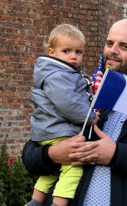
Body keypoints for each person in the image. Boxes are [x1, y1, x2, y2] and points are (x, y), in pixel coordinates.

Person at [22, 19, 127, 206]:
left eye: (124, 46)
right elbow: (30, 155)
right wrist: (52, 154)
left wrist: (117, 155)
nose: (113, 50)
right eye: (110, 43)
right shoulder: (81, 93)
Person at [26, 24, 99, 206]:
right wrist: (90, 116)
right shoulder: (59, 75)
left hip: (48, 130)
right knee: (73, 168)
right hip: (59, 130)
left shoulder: (60, 72)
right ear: (52, 52)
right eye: (66, 51)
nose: (73, 56)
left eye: (78, 52)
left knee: (50, 172)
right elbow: (69, 103)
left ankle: (35, 202)